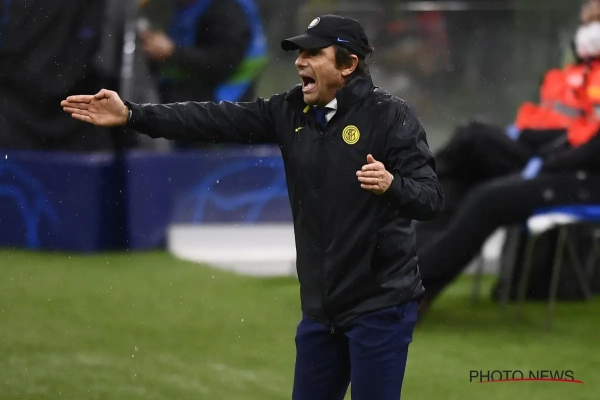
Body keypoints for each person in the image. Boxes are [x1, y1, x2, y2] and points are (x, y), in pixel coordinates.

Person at [62, 14, 444, 399]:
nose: (300, 61)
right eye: (299, 53)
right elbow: (212, 119)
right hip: (322, 310)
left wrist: (392, 185)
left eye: (313, 53)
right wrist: (133, 114)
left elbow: (431, 199)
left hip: (381, 306)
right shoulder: (290, 111)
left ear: (348, 64)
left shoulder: (391, 116)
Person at [416, 0, 600, 317]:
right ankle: (399, 262)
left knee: (488, 198)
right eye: (586, 23)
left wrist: (547, 161)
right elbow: (554, 125)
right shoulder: (573, 72)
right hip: (545, 155)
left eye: (596, 22)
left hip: (584, 177)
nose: (589, 30)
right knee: (470, 144)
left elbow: (590, 149)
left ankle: (413, 289)